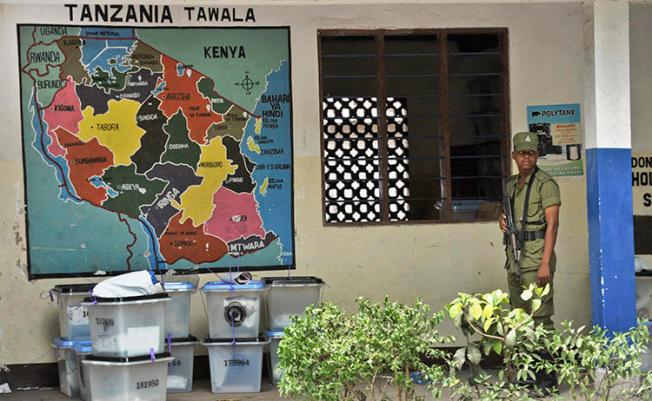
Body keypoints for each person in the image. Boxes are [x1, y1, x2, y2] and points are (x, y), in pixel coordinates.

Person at [499, 132, 561, 392]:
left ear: (537, 155)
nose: (527, 157)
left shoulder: (546, 184)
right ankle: (527, 374)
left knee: (541, 320)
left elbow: (553, 224)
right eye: (522, 152)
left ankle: (547, 379)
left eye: (532, 152)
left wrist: (545, 263)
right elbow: (510, 218)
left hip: (537, 260)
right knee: (520, 319)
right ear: (514, 155)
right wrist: (501, 220)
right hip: (515, 261)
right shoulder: (512, 185)